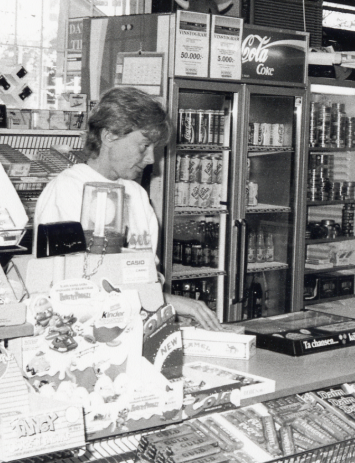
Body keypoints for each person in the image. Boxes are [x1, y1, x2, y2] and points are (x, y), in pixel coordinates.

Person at [36, 86, 222, 330]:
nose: (151, 160)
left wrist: (162, 308)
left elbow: (147, 276)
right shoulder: (67, 191)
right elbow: (74, 288)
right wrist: (167, 301)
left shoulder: (136, 194)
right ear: (109, 136)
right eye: (144, 146)